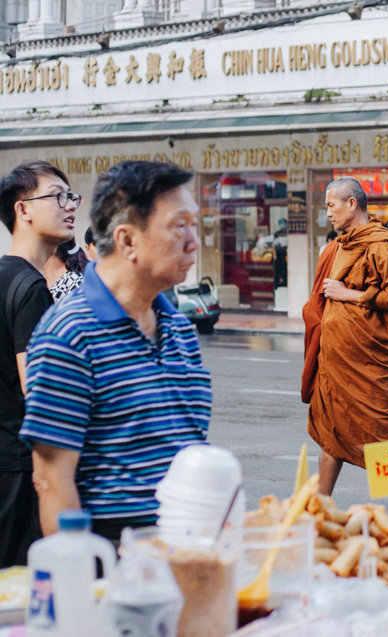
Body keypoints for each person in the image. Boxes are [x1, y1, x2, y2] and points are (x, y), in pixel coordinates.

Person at [19, 161, 210, 542]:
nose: (194, 241)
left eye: (196, 224)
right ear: (126, 241)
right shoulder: (69, 335)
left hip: (189, 555)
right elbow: (52, 481)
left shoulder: (179, 330)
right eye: (179, 226)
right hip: (114, 564)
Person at [301, 177, 388, 522]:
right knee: (331, 429)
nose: (329, 214)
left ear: (351, 204)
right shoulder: (337, 248)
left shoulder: (381, 245)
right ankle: (320, 505)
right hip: (335, 359)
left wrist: (347, 294)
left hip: (370, 360)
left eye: (331, 206)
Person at [0, 160, 77, 566]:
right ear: (23, 210)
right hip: (17, 471)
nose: (70, 206)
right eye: (57, 196)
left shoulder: (4, 276)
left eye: (72, 197)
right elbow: (41, 393)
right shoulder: (30, 288)